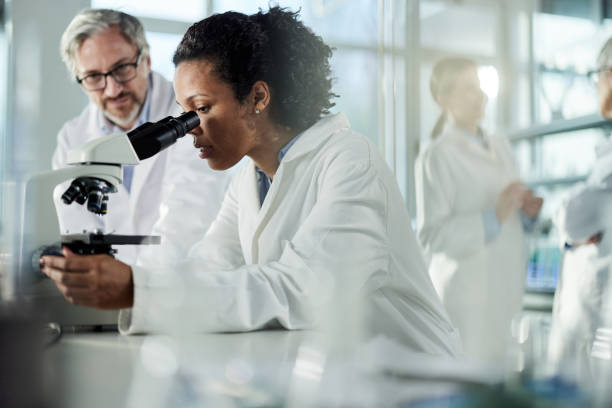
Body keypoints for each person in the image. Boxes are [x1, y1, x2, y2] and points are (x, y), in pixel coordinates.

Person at [41, 7, 462, 356]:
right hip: (340, 378)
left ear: (258, 98)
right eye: (184, 111)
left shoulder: (351, 160)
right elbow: (207, 269)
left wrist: (138, 288)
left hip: (418, 381)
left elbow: (300, 289)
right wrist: (129, 291)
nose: (190, 128)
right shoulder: (250, 178)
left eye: (201, 108)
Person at [52, 9, 230, 265]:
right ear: (80, 81)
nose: (113, 89)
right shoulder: (73, 138)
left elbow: (188, 213)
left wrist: (137, 285)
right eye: (93, 77)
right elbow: (78, 228)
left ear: (146, 60)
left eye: (122, 68)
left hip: (183, 281)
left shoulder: (189, 114)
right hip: (110, 291)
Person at [415, 57, 543, 362]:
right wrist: (492, 217)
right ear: (442, 99)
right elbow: (432, 236)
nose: (481, 96)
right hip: (465, 302)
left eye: (480, 87)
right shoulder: (435, 156)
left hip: (506, 294)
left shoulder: (501, 145)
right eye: (469, 89)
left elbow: (511, 215)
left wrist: (527, 212)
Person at [548, 38, 612, 379]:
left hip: (599, 332)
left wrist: (564, 212)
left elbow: (574, 219)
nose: (597, 86)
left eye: (598, 76)